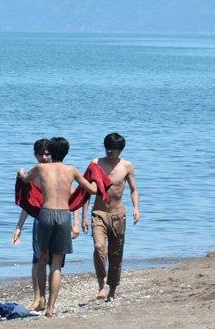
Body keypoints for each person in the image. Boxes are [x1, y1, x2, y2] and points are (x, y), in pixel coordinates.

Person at [22, 137, 97, 317]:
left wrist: (20, 172)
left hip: (46, 214)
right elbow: (92, 190)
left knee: (42, 260)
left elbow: (26, 180)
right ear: (66, 152)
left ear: (51, 152)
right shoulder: (71, 170)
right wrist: (96, 178)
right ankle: (50, 308)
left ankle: (40, 299)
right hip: (64, 216)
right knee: (56, 265)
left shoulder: (40, 168)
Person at [80, 132, 141, 300]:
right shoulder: (95, 164)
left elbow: (134, 189)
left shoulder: (127, 166)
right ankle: (101, 286)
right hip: (99, 213)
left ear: (120, 150)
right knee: (99, 248)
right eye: (107, 148)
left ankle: (112, 289)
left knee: (116, 253)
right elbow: (86, 192)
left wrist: (136, 208)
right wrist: (84, 217)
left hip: (118, 215)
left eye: (113, 149)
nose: (109, 152)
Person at [11, 138, 52, 312]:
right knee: (37, 260)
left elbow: (70, 197)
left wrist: (77, 222)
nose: (44, 157)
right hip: (39, 218)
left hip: (57, 218)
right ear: (35, 155)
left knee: (54, 261)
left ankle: (49, 299)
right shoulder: (33, 174)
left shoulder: (60, 171)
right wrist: (19, 227)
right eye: (40, 154)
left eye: (47, 153)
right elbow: (29, 204)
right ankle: (38, 299)